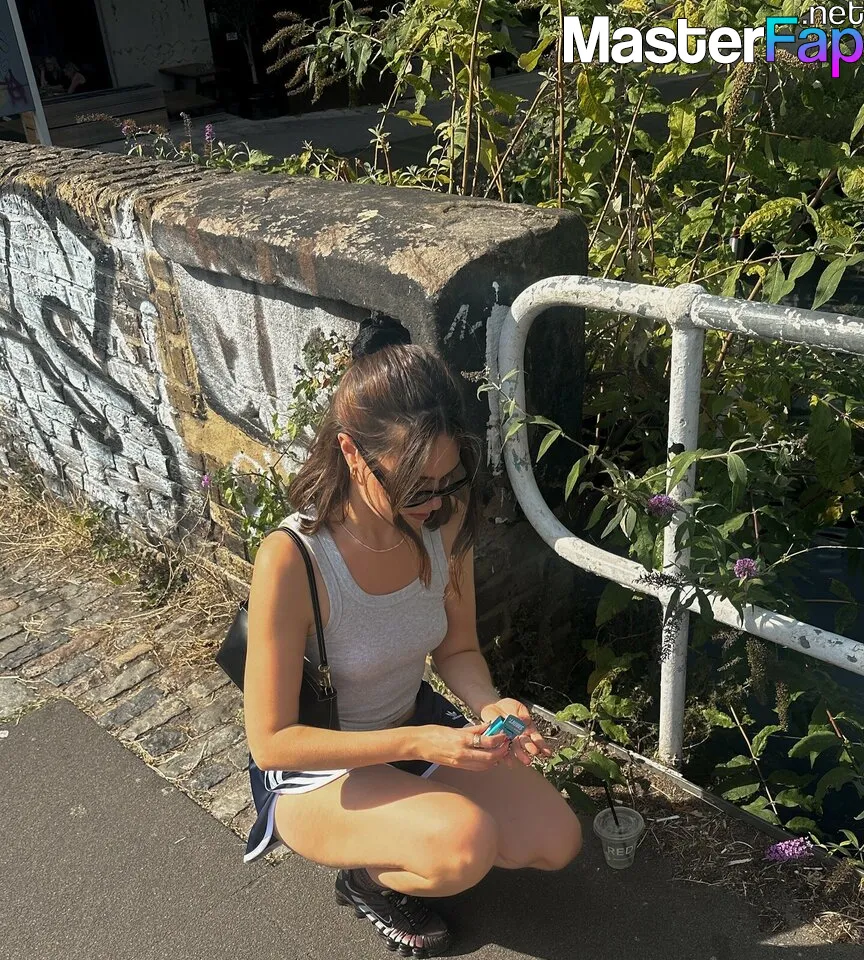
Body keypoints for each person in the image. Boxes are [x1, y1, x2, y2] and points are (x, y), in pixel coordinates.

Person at [242, 316, 582, 958]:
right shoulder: (293, 558)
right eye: (414, 487)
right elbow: (271, 742)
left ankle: (413, 814)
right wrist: (422, 742)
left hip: (414, 727)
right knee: (464, 844)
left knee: (555, 841)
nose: (434, 502)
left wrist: (490, 705)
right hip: (318, 769)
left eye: (449, 479)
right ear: (351, 453)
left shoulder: (444, 523)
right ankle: (365, 880)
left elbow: (457, 650)